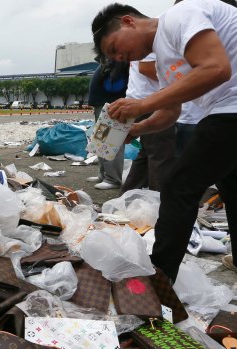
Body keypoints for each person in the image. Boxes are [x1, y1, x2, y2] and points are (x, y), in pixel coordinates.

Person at [92, 0, 237, 280]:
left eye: (114, 48)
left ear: (128, 21)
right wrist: (137, 129)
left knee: (178, 187)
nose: (120, 57)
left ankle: (159, 277)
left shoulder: (178, 17)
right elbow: (172, 111)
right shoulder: (162, 59)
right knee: (232, 186)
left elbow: (216, 68)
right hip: (225, 109)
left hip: (230, 108)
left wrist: (142, 103)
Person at [120, 53, 178, 193]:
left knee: (146, 153)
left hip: (144, 100)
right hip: (151, 101)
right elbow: (146, 68)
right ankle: (159, 202)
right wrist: (179, 81)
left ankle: (127, 197)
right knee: (160, 155)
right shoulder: (152, 40)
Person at [86, 57, 129, 190]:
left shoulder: (120, 60)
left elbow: (117, 83)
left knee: (111, 141)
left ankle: (113, 178)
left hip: (112, 103)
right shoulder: (110, 60)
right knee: (101, 141)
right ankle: (104, 174)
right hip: (104, 103)